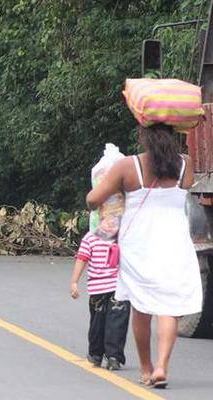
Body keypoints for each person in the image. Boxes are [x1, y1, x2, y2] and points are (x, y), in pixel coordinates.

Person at [86, 123, 202, 388]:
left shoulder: (127, 166)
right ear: (174, 136)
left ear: (142, 137)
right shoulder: (185, 164)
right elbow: (183, 189)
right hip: (174, 240)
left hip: (139, 242)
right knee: (169, 308)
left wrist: (100, 193)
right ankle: (162, 366)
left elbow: (93, 199)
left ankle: (147, 368)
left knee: (141, 305)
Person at [70, 230, 130, 370]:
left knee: (117, 323)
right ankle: (95, 353)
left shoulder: (124, 236)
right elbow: (82, 258)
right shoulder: (91, 238)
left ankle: (114, 357)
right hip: (98, 289)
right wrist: (74, 282)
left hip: (119, 287)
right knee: (97, 323)